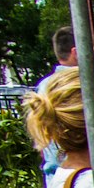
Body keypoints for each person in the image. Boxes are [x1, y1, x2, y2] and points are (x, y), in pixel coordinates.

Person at [37, 27, 80, 179]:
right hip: (80, 174)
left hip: (54, 177)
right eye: (92, 50)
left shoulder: (43, 86)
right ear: (75, 52)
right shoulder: (80, 85)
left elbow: (39, 137)